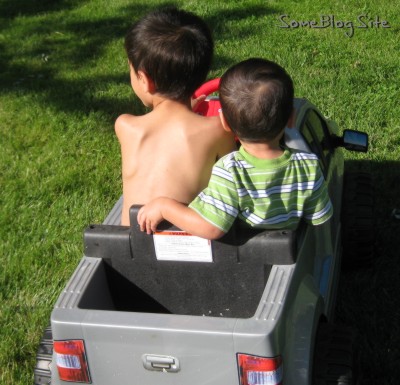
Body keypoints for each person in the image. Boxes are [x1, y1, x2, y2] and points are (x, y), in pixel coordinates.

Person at [137, 58, 333, 238]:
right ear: (291, 118)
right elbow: (319, 218)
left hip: (241, 256)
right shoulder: (309, 166)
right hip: (284, 252)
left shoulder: (230, 171)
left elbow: (211, 228)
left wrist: (165, 206)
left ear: (225, 123)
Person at [116, 7, 236, 225]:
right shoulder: (218, 130)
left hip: (130, 248)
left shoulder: (125, 127)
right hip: (190, 246)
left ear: (144, 79)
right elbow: (234, 182)